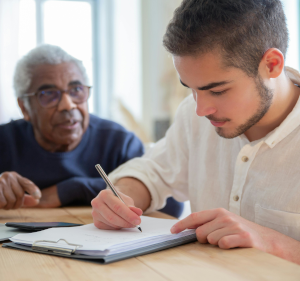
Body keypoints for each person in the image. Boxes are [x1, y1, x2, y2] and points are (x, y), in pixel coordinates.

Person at [91, 0, 300, 264]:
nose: (201, 109)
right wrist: (121, 196)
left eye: (218, 90)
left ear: (271, 65)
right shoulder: (194, 113)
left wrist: (271, 241)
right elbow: (153, 172)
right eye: (190, 87)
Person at [0, 44, 183, 217]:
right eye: (48, 94)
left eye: (76, 90)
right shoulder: (5, 141)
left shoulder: (118, 142)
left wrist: (73, 189)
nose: (68, 105)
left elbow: (171, 205)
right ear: (24, 107)